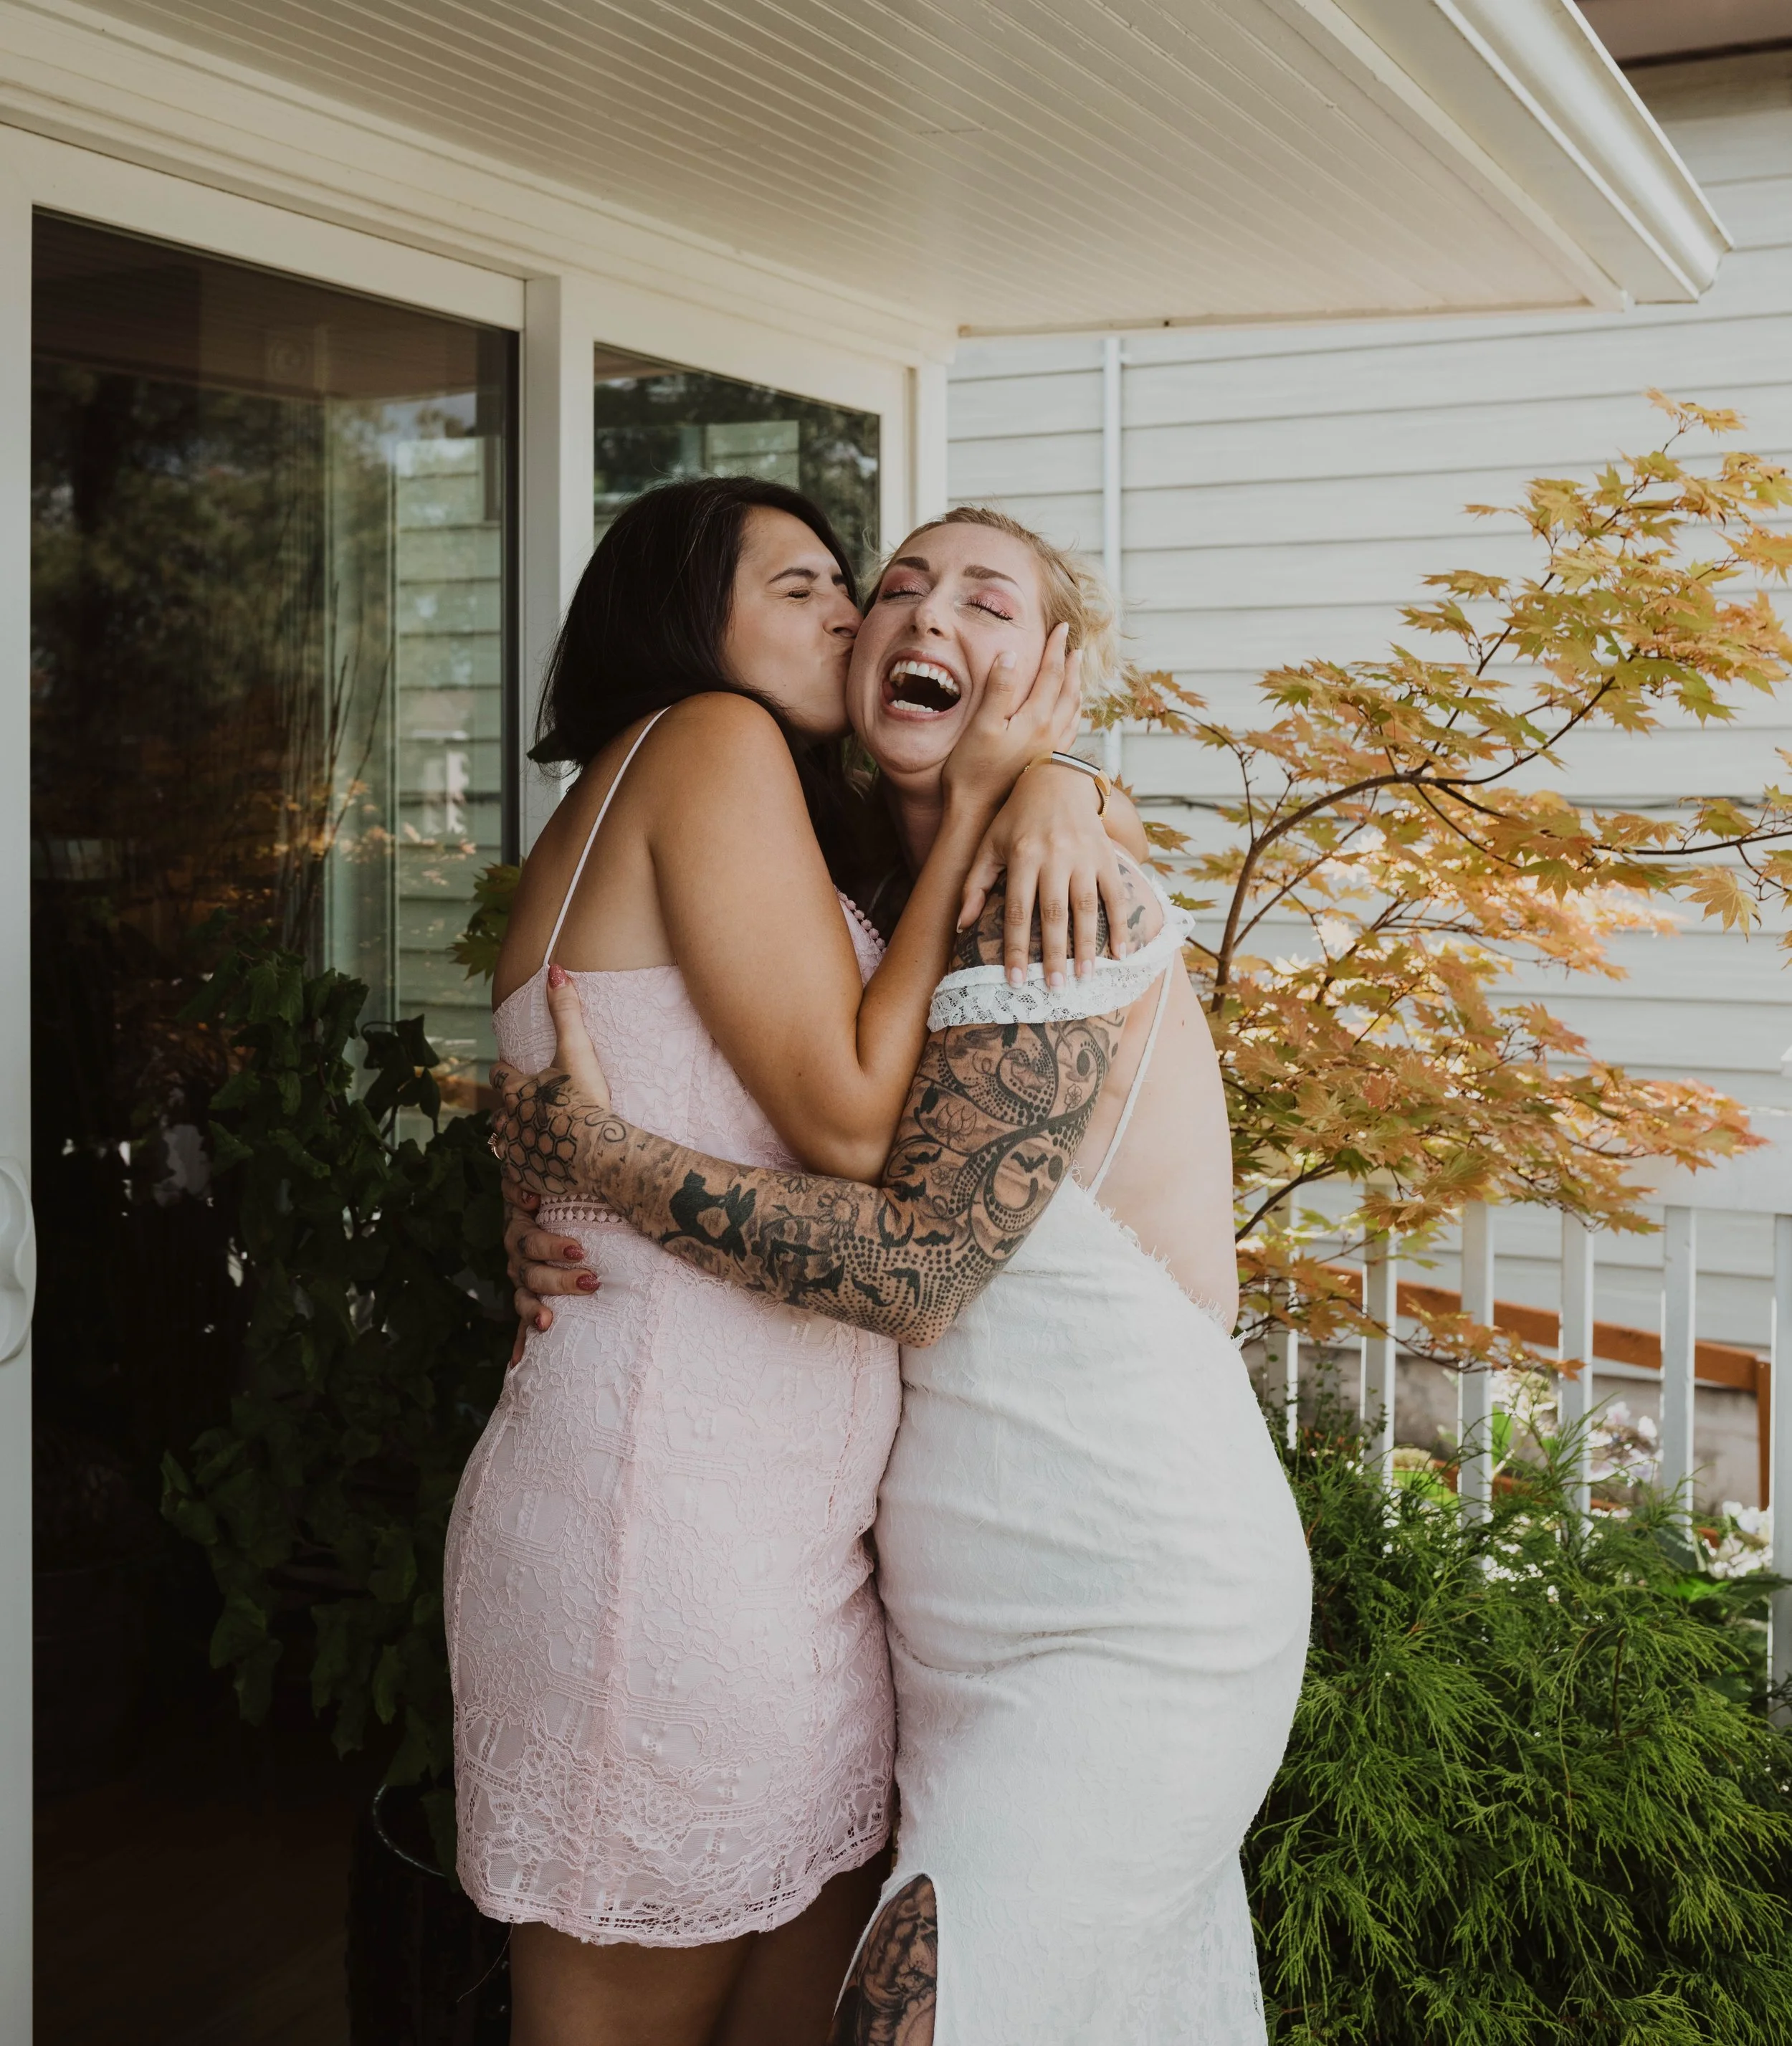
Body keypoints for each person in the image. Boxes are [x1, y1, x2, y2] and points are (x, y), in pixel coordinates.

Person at [495, 507, 1315, 2046]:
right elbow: (710, 1057)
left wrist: (590, 1159)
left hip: (1121, 1590)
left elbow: (921, 1265)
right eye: (891, 591)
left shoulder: (1050, 888)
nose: (913, 615)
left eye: (985, 600)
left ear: (1057, 671)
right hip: (926, 1605)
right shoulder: (872, 873)